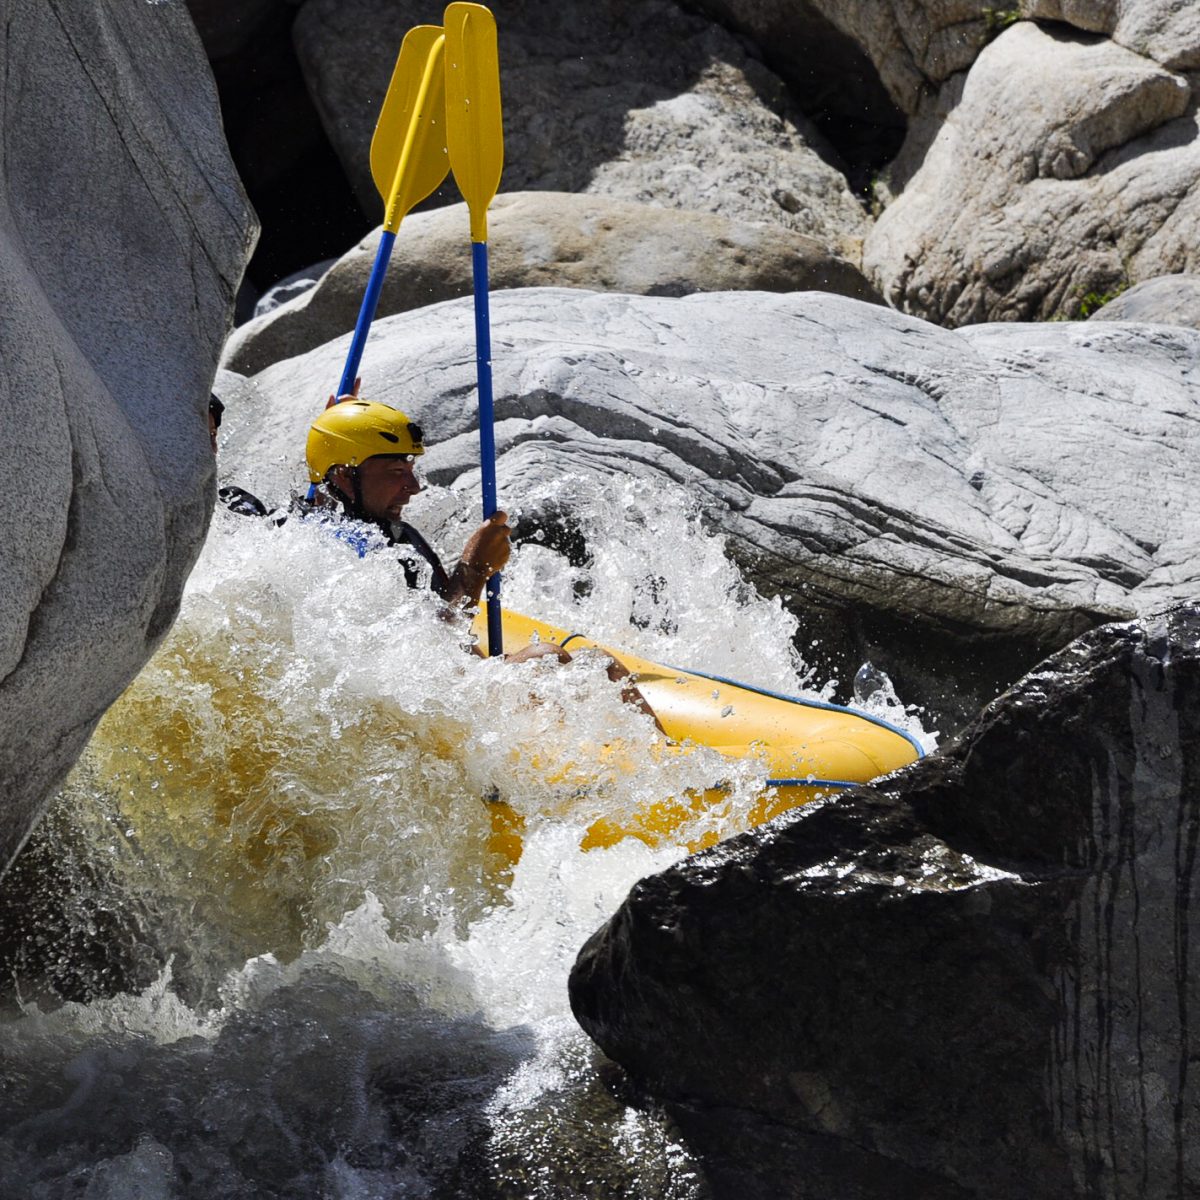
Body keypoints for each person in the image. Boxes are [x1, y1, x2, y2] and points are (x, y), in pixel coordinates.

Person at [304, 393, 664, 723]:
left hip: (450, 686)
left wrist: (337, 428)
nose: (413, 486)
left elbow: (438, 619)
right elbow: (425, 646)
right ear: (345, 478)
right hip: (420, 707)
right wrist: (474, 570)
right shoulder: (335, 550)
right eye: (397, 473)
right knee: (547, 656)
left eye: (411, 470)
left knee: (599, 663)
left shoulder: (386, 529)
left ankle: (670, 764)